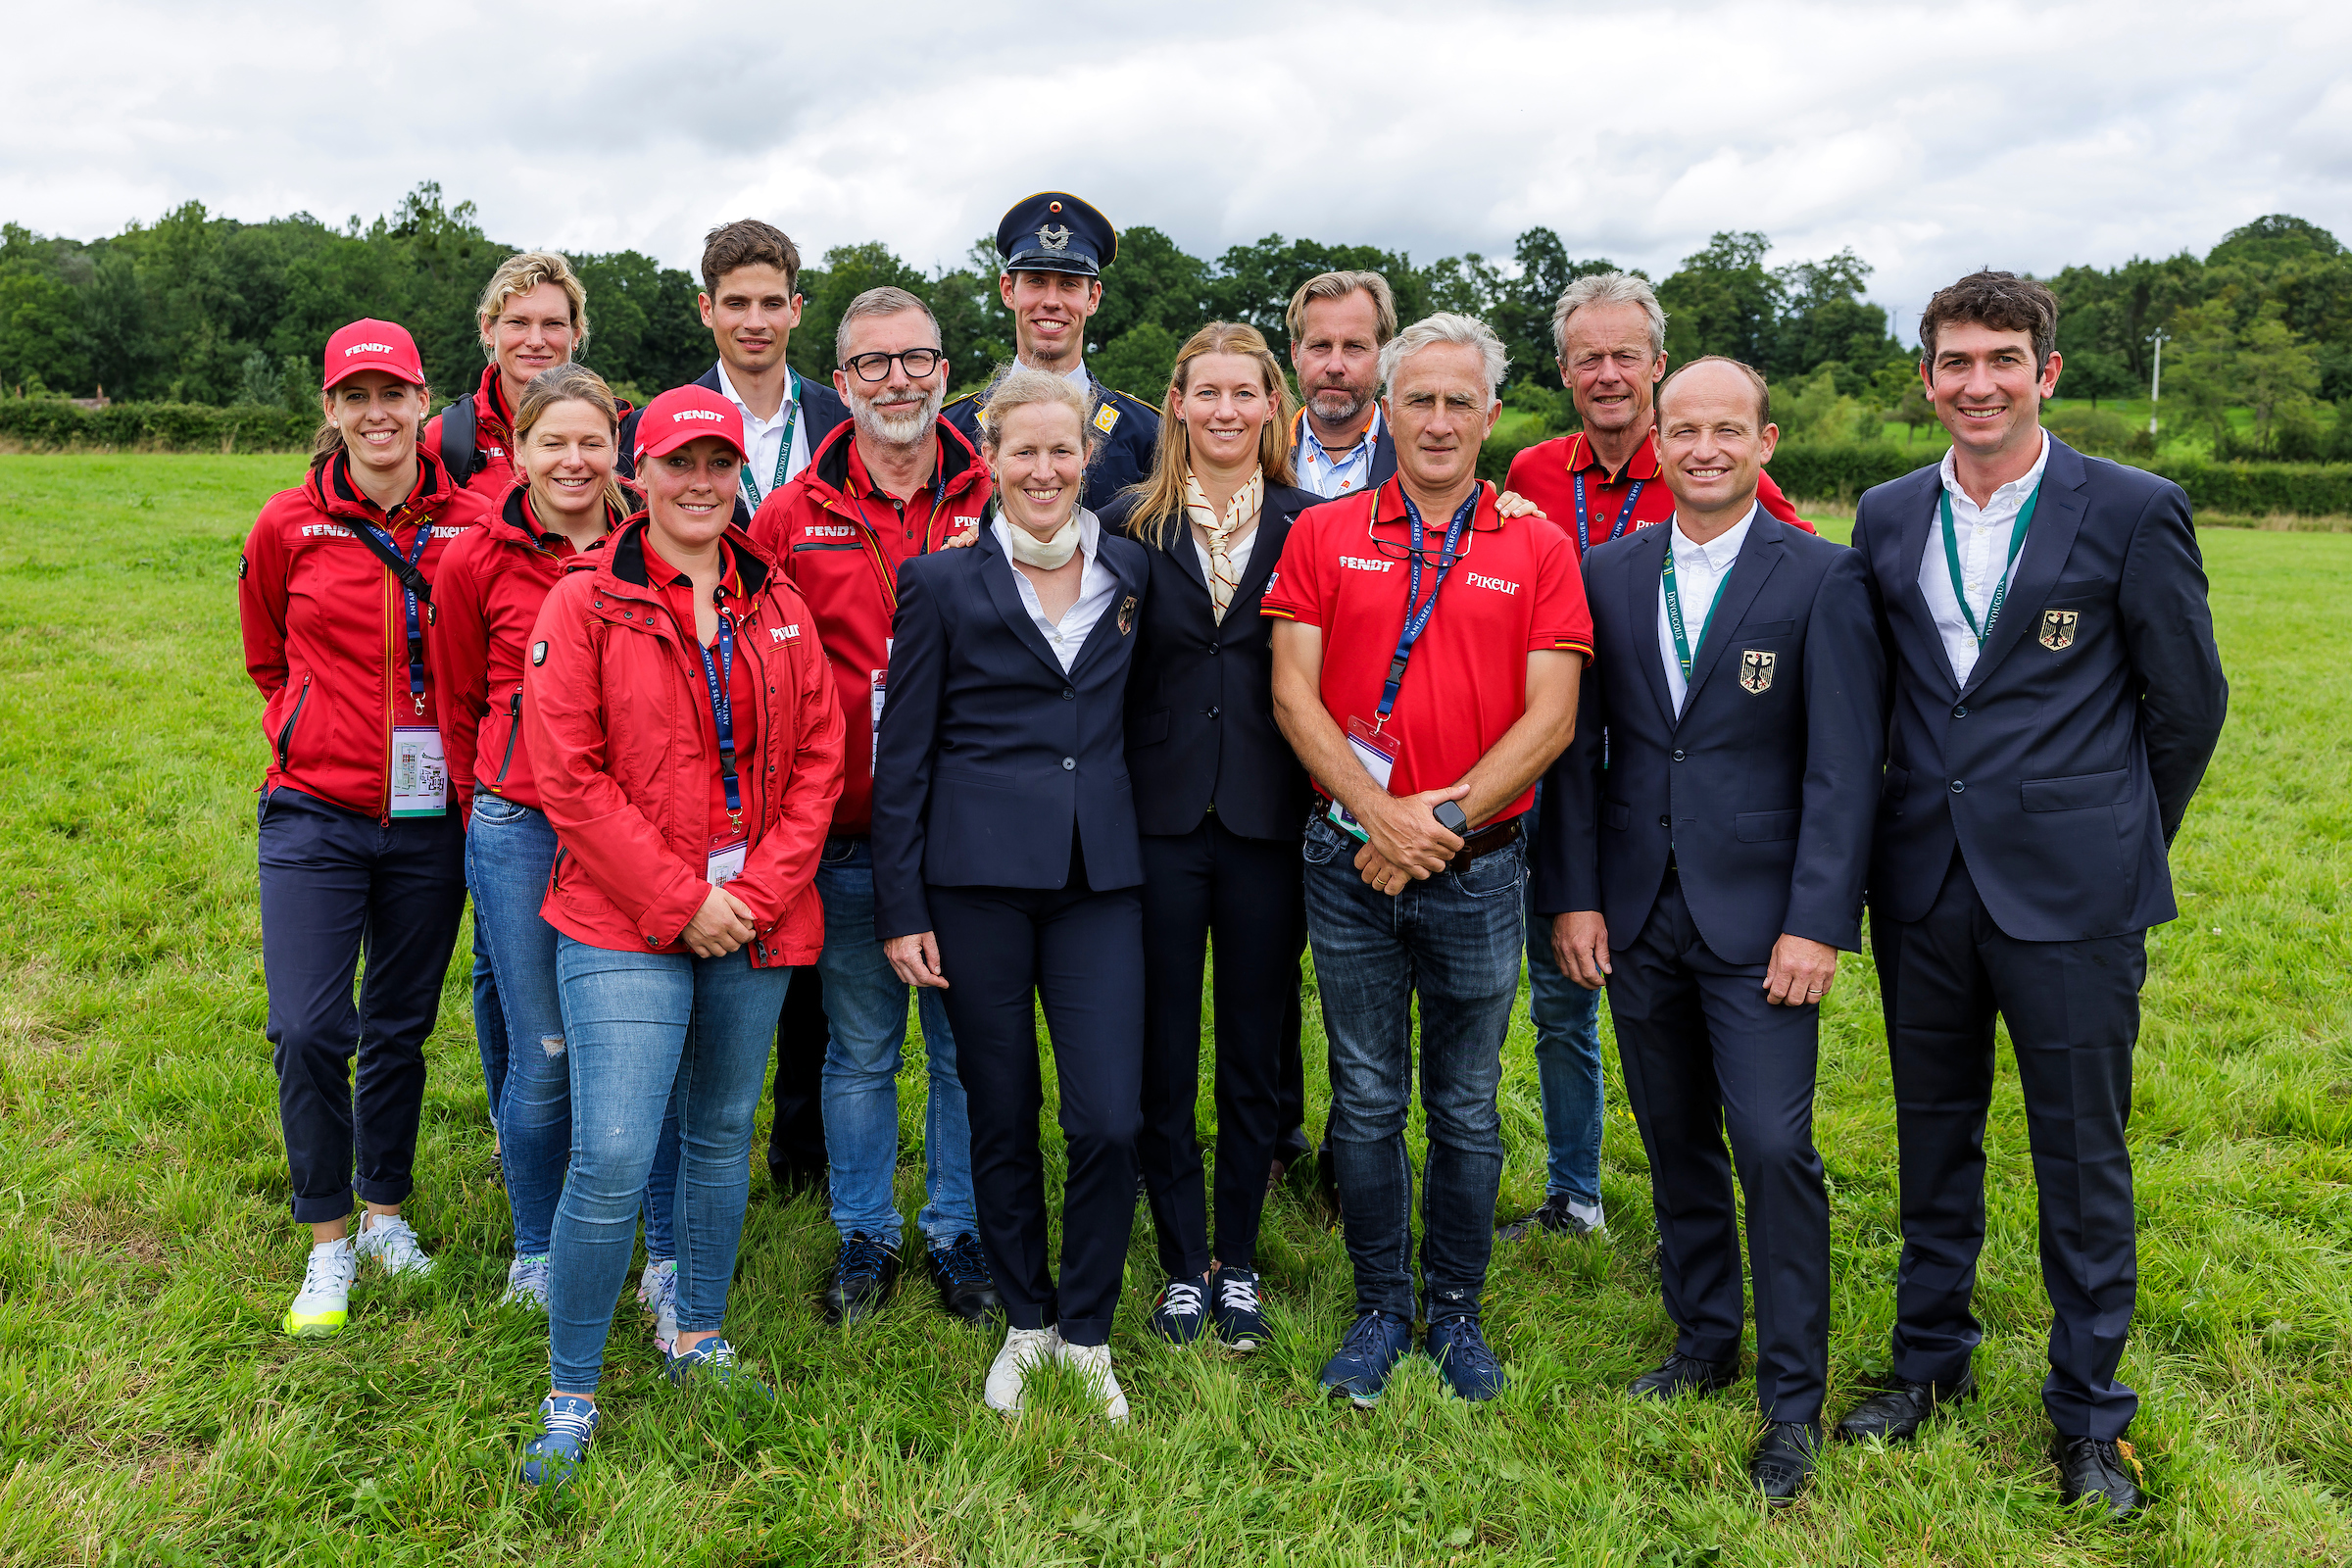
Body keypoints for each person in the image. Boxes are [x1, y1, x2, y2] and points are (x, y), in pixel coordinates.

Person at [1836, 271, 2227, 1519]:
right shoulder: (1888, 516)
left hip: (2077, 893)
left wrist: (2114, 832)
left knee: (2079, 1155)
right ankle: (1926, 1367)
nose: (1979, 383)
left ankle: (2089, 1420)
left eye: (2003, 359)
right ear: (1927, 378)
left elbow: (2189, 704)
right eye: (1956, 361)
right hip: (1925, 885)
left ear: (2046, 372)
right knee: (1930, 1138)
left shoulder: (2132, 507)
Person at [1537, 356, 1885, 1503]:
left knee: (1776, 1150)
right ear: (1657, 441)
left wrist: (1818, 922)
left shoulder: (1823, 577)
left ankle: (1791, 1399)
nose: (1702, 448)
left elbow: (1844, 768)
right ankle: (1705, 1339)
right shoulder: (1606, 569)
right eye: (1682, 429)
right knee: (1675, 1135)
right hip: (1637, 907)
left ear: (1765, 442)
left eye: (1726, 429)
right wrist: (1576, 895)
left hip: (1764, 921)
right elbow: (1579, 754)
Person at [513, 385, 844, 1488]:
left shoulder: (779, 603)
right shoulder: (585, 604)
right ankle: (571, 1385)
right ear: (636, 476)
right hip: (623, 916)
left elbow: (818, 766)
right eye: (676, 464)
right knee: (611, 1151)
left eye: (717, 463)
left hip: (755, 911)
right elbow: (568, 774)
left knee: (716, 1134)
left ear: (735, 472)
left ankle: (694, 1330)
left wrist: (751, 894)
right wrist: (677, 900)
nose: (699, 484)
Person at [1264, 314, 1591, 1408]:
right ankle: (1379, 1306)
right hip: (1345, 860)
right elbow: (1292, 694)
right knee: (1362, 1097)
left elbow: (1551, 718)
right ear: (1386, 411)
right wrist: (1377, 816)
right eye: (1421, 399)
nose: (1440, 420)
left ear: (1492, 416)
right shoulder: (1323, 531)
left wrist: (1430, 822)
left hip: (1480, 868)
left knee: (1463, 1102)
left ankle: (1454, 1308)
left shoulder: (1536, 545)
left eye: (1462, 401)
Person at [1494, 271, 1816, 1249]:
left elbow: (1793, 576)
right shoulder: (1533, 476)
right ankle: (1575, 1190)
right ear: (1564, 370)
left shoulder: (1707, 457)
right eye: (1586, 356)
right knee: (1562, 990)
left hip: (1678, 779)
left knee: (1684, 1011)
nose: (1606, 373)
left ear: (1658, 366)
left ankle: (1704, 1187)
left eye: (1624, 354)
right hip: (1562, 764)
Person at [872, 366, 1152, 1422]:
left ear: (1088, 456)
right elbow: (904, 754)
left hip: (1098, 882)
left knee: (1108, 1117)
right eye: (1023, 451)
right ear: (990, 458)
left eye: (1062, 450)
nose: (1044, 469)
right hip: (976, 883)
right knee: (1000, 1107)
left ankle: (1090, 1331)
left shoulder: (1129, 572)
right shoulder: (939, 582)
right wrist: (903, 906)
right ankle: (1028, 1322)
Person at [747, 286, 1001, 1329]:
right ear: (838, 383)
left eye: (917, 359)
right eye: (873, 364)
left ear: (945, 371)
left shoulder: (1002, 494)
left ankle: (958, 1228)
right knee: (857, 1046)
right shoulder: (790, 513)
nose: (898, 379)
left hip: (978, 835)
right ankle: (864, 1230)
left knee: (961, 1048)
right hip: (847, 834)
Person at [240, 319, 494, 1338]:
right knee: (308, 1027)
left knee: (398, 1025)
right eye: (359, 396)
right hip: (316, 810)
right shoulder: (289, 525)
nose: (380, 413)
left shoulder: (475, 518)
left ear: (425, 403)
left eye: (397, 394)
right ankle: (328, 1242)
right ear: (332, 409)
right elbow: (266, 653)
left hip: (434, 818)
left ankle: (385, 1210)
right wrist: (307, 728)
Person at [426, 363, 686, 1341]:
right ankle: (536, 1247)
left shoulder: (652, 542)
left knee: (646, 1048)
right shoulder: (479, 554)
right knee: (545, 1056)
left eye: (591, 442)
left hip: (634, 826)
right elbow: (458, 695)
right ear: (520, 450)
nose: (573, 460)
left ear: (617, 447)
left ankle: (663, 1256)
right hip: (521, 823)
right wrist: (490, 794)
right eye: (553, 442)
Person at [1096, 322, 1320, 1351]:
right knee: (1162, 1050)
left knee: (1253, 1053)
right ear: (1176, 404)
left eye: (1247, 392)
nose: (1227, 410)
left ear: (1274, 405)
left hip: (1270, 821)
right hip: (1159, 820)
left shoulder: (1314, 525)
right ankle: (1183, 1260)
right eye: (1207, 392)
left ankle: (1240, 1259)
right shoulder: (1124, 527)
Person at [679, 219, 854, 1199]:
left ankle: (802, 1149)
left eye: (770, 301)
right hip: (703, 700)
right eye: (733, 302)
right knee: (713, 907)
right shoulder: (663, 421)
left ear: (797, 307)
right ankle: (703, 1133)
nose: (753, 319)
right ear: (707, 311)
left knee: (810, 924)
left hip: (817, 696)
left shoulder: (838, 414)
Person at [944, 193, 1160, 501]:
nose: (1051, 301)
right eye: (1035, 281)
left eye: (1069, 283)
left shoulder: (1145, 432)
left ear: (1094, 298)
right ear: (1008, 291)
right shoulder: (954, 430)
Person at [422, 250, 605, 497]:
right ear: (488, 329)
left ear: (576, 334)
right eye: (518, 322)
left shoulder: (619, 432)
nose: (536, 340)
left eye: (553, 324)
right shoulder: (444, 439)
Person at [1286, 270, 1399, 501]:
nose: (1335, 366)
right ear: (1296, 354)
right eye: (1320, 345)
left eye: (1354, 346)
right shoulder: (1256, 455)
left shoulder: (1418, 459)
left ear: (1384, 356)